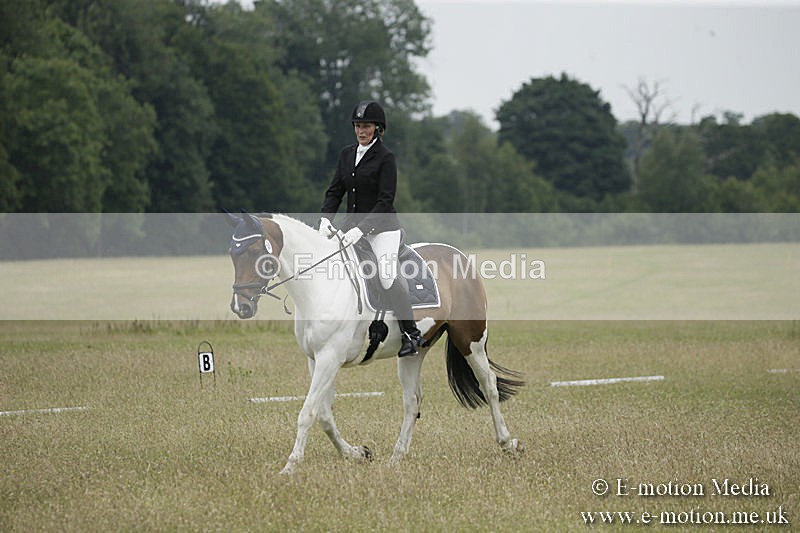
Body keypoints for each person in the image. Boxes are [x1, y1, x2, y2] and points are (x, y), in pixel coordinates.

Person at [319, 100, 423, 357]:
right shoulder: (346, 154)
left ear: (378, 128)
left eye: (366, 126)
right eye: (357, 125)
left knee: (386, 275)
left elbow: (385, 200)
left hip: (383, 230)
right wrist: (324, 219)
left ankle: (411, 332)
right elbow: (335, 191)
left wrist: (362, 229)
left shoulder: (386, 158)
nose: (361, 130)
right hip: (351, 228)